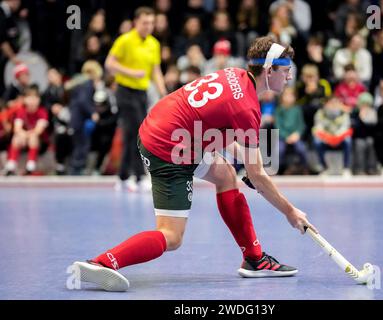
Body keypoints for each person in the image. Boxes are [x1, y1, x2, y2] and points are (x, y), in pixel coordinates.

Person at [72, 36, 318, 292]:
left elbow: (216, 127)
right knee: (172, 236)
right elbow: (257, 176)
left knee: (225, 175)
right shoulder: (247, 108)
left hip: (166, 127)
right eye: (286, 70)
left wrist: (248, 159)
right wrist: (290, 212)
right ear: (269, 71)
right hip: (167, 148)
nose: (289, 77)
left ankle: (254, 259)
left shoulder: (235, 75)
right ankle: (102, 262)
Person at [105, 7, 167, 192]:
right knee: (137, 132)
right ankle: (137, 176)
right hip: (125, 91)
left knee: (133, 134)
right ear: (136, 22)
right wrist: (131, 72)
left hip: (142, 93)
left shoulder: (154, 44)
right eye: (144, 23)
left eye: (151, 23)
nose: (148, 26)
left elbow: (155, 71)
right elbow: (109, 64)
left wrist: (164, 93)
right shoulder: (125, 40)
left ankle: (124, 177)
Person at [5, 85, 48, 175]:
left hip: (40, 142)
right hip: (23, 139)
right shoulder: (21, 111)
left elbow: (38, 130)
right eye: (30, 98)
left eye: (35, 98)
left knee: (33, 137)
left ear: (39, 100)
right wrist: (23, 135)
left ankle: (30, 167)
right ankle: (11, 166)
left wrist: (27, 135)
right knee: (16, 138)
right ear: (25, 99)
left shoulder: (42, 112)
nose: (32, 101)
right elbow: (17, 128)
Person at [312, 97, 353, 177]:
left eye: (336, 103)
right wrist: (328, 137)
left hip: (339, 139)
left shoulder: (344, 113)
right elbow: (318, 128)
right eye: (331, 103)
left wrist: (336, 137)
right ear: (326, 104)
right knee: (316, 141)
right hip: (326, 140)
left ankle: (346, 168)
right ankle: (324, 168)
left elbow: (345, 127)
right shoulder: (320, 113)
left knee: (348, 140)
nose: (333, 105)